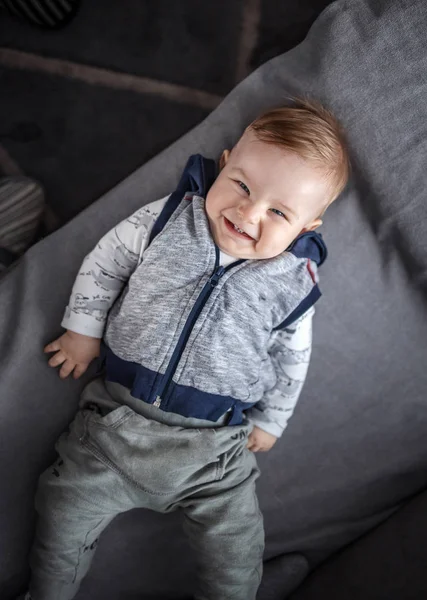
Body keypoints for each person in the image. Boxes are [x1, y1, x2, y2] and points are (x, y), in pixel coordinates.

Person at [19, 98, 350, 600]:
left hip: (214, 453)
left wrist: (272, 419)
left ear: (306, 229)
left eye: (278, 212)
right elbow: (108, 260)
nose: (248, 213)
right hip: (114, 427)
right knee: (61, 510)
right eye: (241, 184)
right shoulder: (170, 217)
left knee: (237, 552)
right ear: (223, 164)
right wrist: (83, 329)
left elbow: (292, 359)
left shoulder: (293, 283)